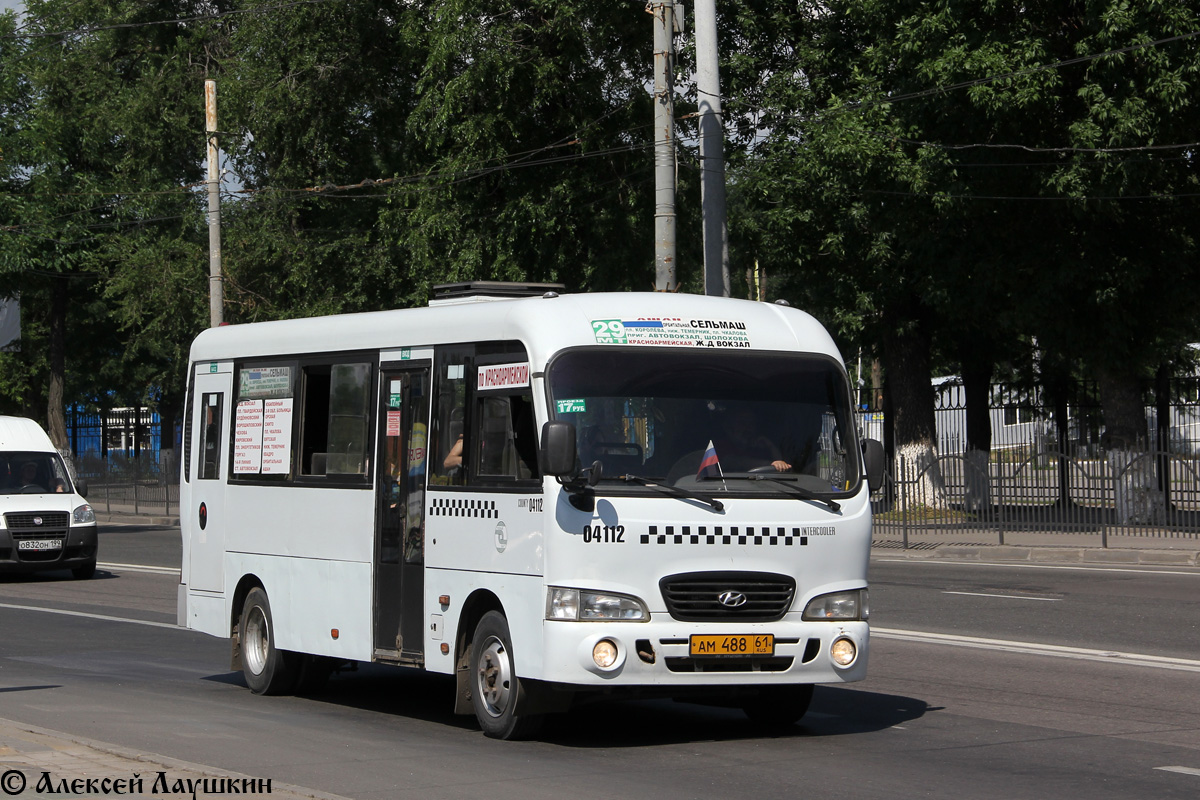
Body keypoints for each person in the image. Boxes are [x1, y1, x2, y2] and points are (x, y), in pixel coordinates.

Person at [715, 408, 791, 472]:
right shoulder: (719, 446)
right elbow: (733, 462)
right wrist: (770, 464)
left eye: (751, 424)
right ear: (729, 427)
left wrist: (770, 446)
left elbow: (783, 467)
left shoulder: (758, 449)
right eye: (742, 423)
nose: (747, 428)